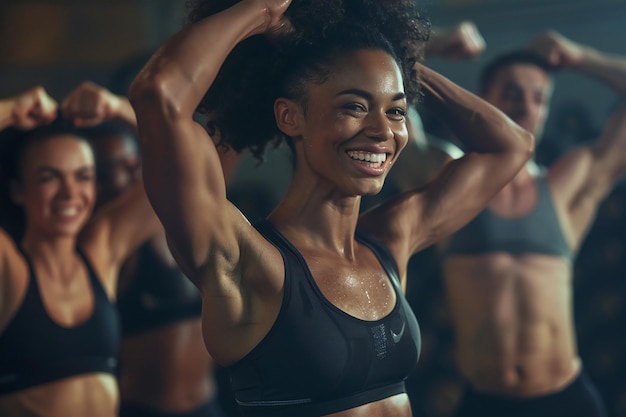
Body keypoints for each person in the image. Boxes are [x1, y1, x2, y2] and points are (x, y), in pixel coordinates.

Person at [128, 1, 533, 416]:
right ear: (289, 116)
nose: (382, 131)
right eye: (354, 106)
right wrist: (262, 14)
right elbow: (159, 94)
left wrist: (399, 60)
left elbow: (512, 147)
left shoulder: (390, 243)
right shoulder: (245, 260)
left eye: (395, 111)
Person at [439, 31, 626, 417]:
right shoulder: (445, 178)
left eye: (539, 98)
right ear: (483, 100)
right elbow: (383, 97)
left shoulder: (566, 187)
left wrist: (580, 55)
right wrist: (431, 47)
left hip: (566, 399)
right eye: (512, 93)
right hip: (484, 402)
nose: (526, 107)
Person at [67, 80, 232, 417]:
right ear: (93, 177)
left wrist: (115, 108)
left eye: (133, 161)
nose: (131, 170)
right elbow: (188, 156)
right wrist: (118, 110)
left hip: (207, 406)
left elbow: (200, 154)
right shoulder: (103, 237)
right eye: (117, 165)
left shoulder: (177, 211)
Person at [0, 85, 161, 417]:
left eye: (83, 176)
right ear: (18, 189)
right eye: (49, 177)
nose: (69, 194)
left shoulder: (102, 251)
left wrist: (116, 107)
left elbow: (183, 160)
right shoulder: (8, 268)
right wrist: (11, 110)